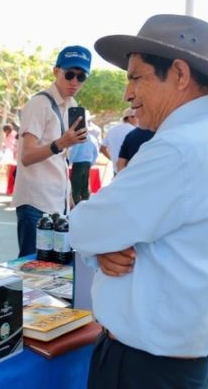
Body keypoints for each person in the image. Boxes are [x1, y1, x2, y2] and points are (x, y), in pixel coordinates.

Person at [69, 14, 208, 388]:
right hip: (174, 362)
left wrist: (99, 244)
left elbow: (83, 226)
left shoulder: (177, 148)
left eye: (136, 77)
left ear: (180, 74)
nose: (128, 94)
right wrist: (103, 249)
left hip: (140, 367)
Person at [11, 45, 90, 257]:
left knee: (54, 267)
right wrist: (61, 143)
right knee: (32, 267)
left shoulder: (71, 105)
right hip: (35, 202)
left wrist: (68, 197)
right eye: (69, 74)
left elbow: (61, 160)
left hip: (58, 203)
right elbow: (26, 156)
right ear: (56, 72)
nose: (75, 82)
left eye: (81, 77)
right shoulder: (39, 104)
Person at [68, 115, 99, 204]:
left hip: (78, 164)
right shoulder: (93, 138)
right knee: (85, 185)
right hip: (87, 163)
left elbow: (74, 151)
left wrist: (69, 162)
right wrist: (92, 162)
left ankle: (77, 204)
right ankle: (86, 203)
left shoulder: (79, 138)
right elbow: (96, 152)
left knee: (76, 185)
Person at [100, 108, 137, 174]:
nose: (138, 119)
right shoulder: (134, 130)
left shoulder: (112, 130)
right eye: (136, 116)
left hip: (116, 170)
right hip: (131, 169)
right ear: (130, 117)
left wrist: (112, 159)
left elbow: (102, 148)